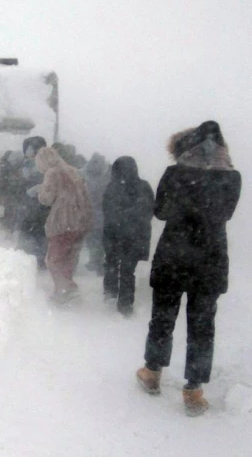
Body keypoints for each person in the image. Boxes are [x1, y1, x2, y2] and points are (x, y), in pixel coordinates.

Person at [135, 121, 241, 417]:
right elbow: (226, 214)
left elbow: (161, 211)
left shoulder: (175, 173)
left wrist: (184, 203)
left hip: (174, 256)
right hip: (210, 260)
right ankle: (193, 391)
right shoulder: (232, 177)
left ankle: (153, 373)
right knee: (202, 327)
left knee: (162, 318)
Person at [34, 146, 93, 303]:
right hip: (80, 221)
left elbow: (46, 198)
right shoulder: (72, 171)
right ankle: (63, 291)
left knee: (53, 259)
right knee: (69, 258)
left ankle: (67, 290)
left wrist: (40, 190)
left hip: (63, 221)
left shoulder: (52, 172)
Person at [102, 156, 155, 316]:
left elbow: (107, 210)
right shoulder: (144, 186)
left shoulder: (112, 187)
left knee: (111, 263)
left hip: (114, 233)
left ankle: (110, 294)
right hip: (135, 236)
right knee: (128, 270)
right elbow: (149, 210)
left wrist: (119, 220)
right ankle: (125, 304)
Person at [16, 136, 50, 268]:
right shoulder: (28, 166)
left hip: (36, 207)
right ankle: (33, 260)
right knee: (35, 234)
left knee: (34, 233)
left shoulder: (42, 168)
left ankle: (33, 261)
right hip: (34, 208)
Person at [83, 153, 110, 275]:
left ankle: (95, 261)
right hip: (102, 214)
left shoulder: (87, 177)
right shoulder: (107, 178)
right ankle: (98, 263)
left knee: (92, 239)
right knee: (99, 240)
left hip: (90, 213)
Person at [0, 150, 27, 233]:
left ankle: (9, 229)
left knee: (9, 211)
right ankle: (12, 229)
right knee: (15, 211)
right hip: (15, 193)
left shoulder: (5, 167)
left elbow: (1, 182)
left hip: (9, 193)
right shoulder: (15, 167)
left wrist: (1, 193)